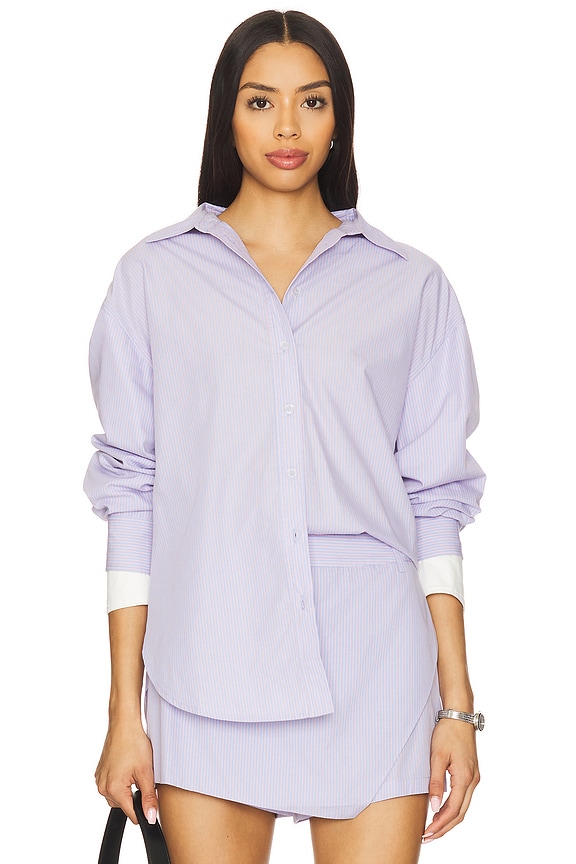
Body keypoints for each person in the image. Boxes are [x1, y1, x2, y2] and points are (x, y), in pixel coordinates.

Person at [84, 9, 486, 864]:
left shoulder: (409, 285)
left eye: (313, 100)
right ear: (226, 116)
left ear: (340, 119)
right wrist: (124, 714)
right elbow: (132, 495)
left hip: (374, 664)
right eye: (261, 102)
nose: (288, 127)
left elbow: (435, 502)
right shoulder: (154, 277)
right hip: (207, 662)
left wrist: (456, 706)